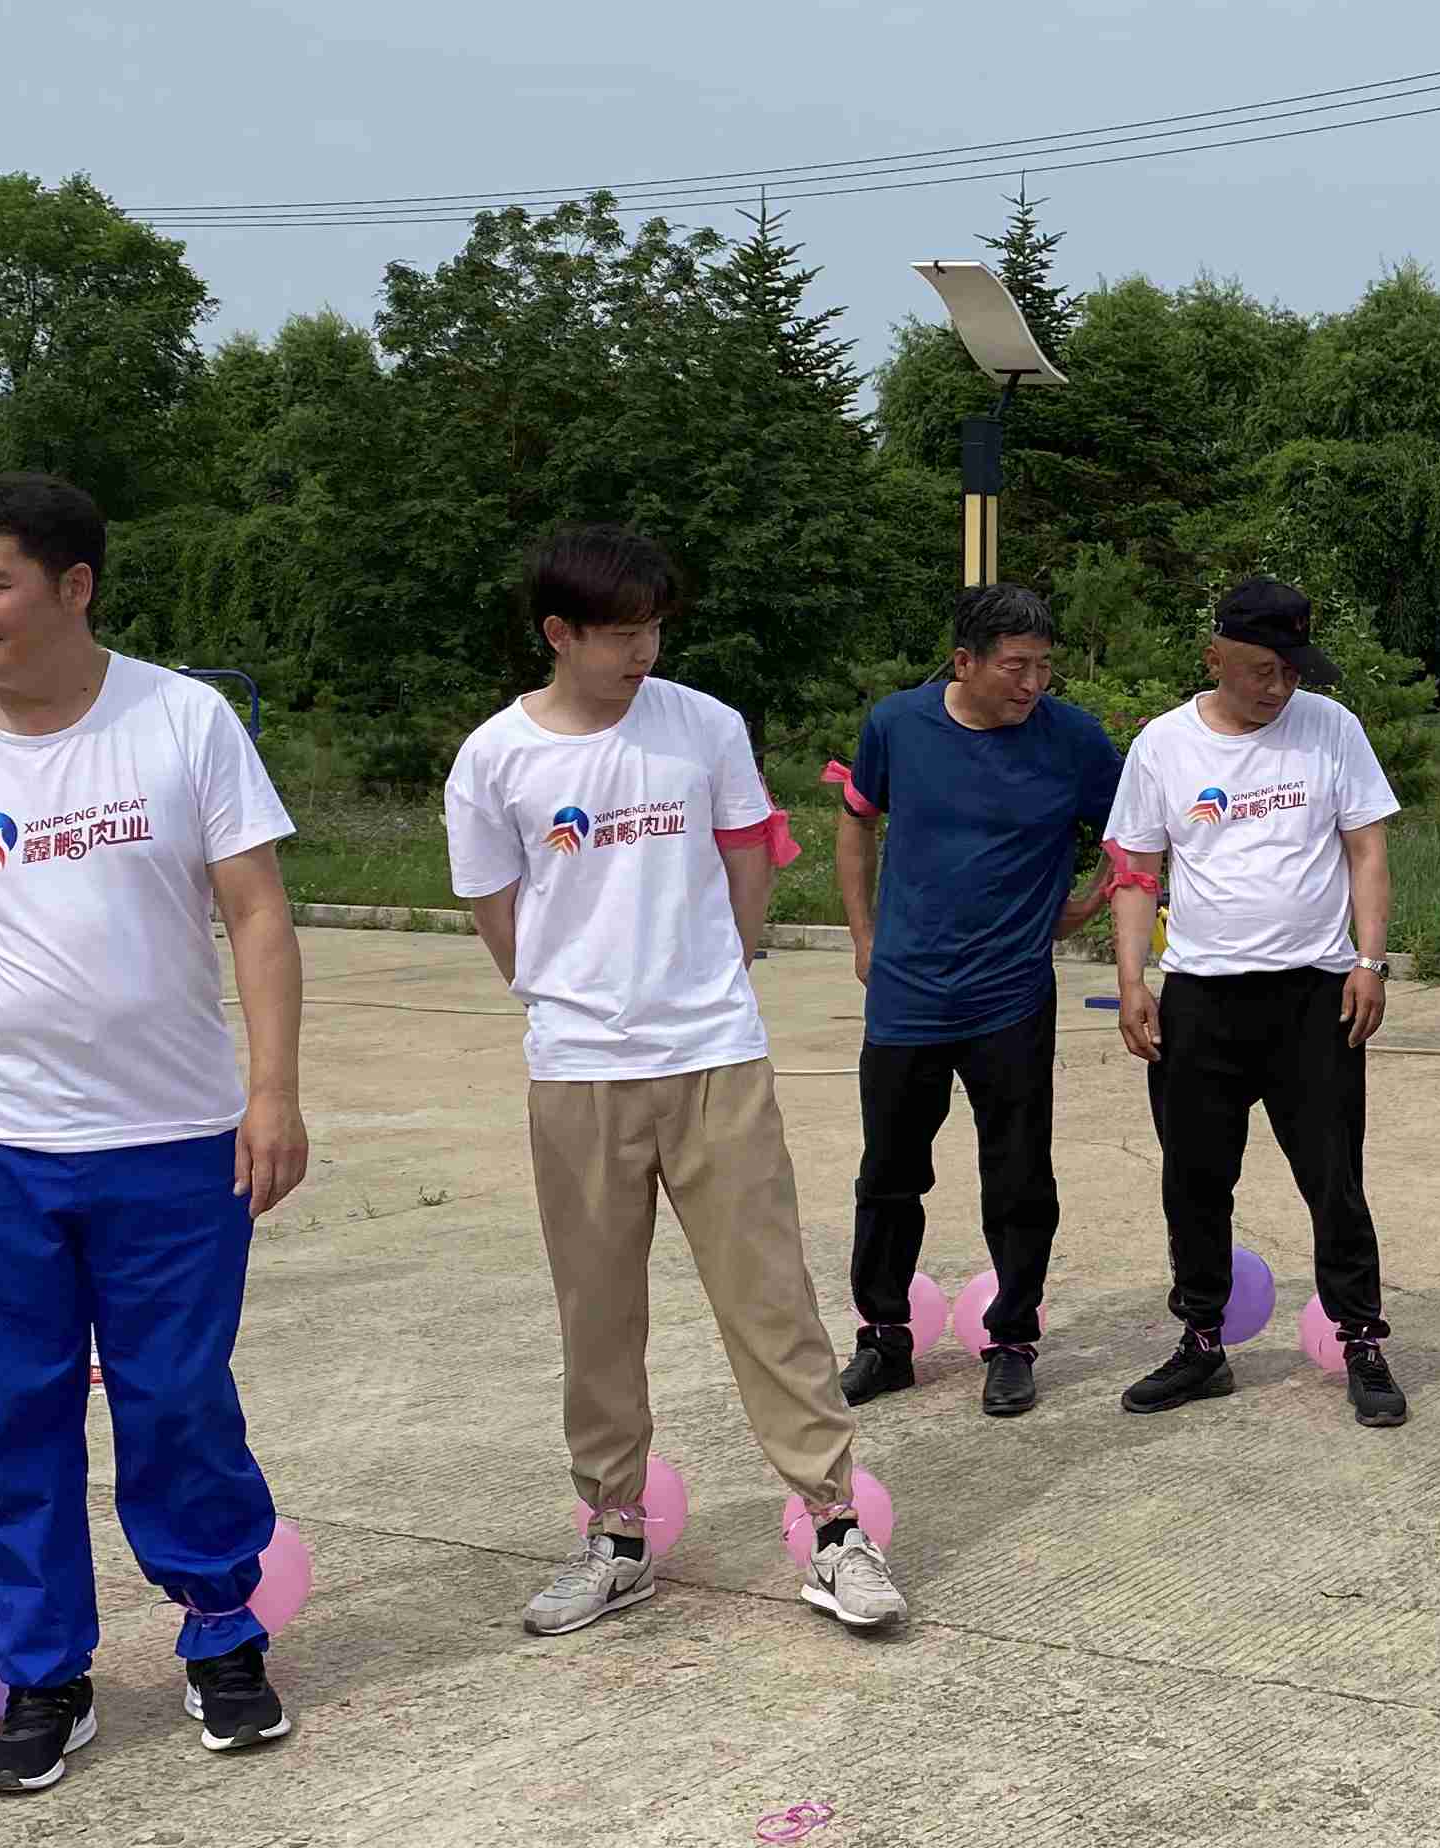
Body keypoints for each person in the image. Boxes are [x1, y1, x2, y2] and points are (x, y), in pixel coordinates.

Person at [0, 474, 309, 1794]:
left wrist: (273, 1091)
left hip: (172, 1136)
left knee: (176, 1398)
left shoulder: (183, 720)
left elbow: (258, 911)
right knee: (8, 1407)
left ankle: (222, 1633)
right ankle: (45, 1674)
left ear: (74, 586)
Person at [445, 528, 906, 1639]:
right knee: (598, 1313)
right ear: (559, 634)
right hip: (579, 1072)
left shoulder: (704, 726)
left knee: (770, 1300)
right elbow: (499, 917)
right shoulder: (494, 759)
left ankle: (836, 1529)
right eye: (620, 633)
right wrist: (568, 995)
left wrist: (714, 971)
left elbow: (747, 862)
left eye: (653, 628)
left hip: (713, 1058)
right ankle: (614, 1537)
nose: (643, 651)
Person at [1103, 576, 1408, 1427]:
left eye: (1292, 671)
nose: (1280, 688)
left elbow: (1367, 851)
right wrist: (1132, 980)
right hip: (1201, 997)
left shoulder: (1332, 728)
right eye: (1262, 670)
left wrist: (1371, 960)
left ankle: (1361, 1340)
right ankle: (1202, 1342)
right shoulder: (1164, 745)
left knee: (1334, 1179)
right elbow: (1137, 869)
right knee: (1195, 1181)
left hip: (1315, 994)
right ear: (1215, 658)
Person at [832, 584, 1120, 1418]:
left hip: (1012, 994)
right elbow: (856, 820)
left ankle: (1013, 1340)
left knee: (1020, 1176)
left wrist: (1087, 901)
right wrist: (863, 934)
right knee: (889, 1175)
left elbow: (1134, 829)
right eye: (1014, 667)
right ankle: (884, 1339)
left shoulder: (1073, 739)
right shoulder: (897, 724)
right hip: (907, 994)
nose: (1032, 684)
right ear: (964, 662)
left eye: (1044, 667)